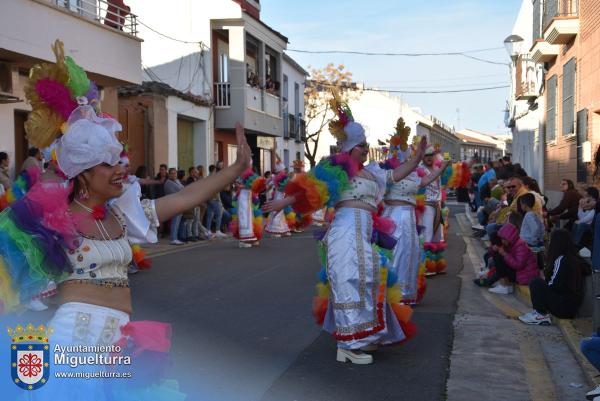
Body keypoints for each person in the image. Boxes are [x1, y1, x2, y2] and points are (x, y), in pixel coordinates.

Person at [0, 41, 251, 399]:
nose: (121, 170)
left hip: (120, 342)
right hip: (74, 345)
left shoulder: (121, 212)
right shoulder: (55, 219)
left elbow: (183, 197)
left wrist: (236, 168)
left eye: (120, 161)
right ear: (82, 173)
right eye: (108, 163)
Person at [263, 93, 424, 365]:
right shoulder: (336, 169)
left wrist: (418, 157)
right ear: (350, 147)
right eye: (361, 145)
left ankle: (363, 336)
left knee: (371, 280)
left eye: (366, 144)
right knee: (348, 282)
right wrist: (283, 201)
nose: (365, 148)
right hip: (345, 231)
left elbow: (397, 174)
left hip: (365, 233)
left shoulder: (372, 172)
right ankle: (348, 345)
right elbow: (311, 189)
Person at [382, 126, 448, 304]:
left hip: (409, 216)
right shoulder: (389, 172)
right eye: (399, 152)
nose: (402, 155)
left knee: (411, 253)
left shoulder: (412, 174)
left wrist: (442, 168)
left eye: (405, 152)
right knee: (397, 253)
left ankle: (405, 293)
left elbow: (425, 181)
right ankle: (393, 293)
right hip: (395, 216)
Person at [518, 229, 590, 325]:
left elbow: (554, 285)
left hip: (562, 306)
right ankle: (539, 314)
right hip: (571, 307)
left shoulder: (561, 260)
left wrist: (544, 279)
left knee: (536, 282)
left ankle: (541, 315)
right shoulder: (574, 259)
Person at [420, 146, 451, 276]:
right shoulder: (420, 170)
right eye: (426, 155)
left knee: (437, 236)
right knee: (427, 235)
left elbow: (441, 184)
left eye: (431, 155)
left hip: (436, 206)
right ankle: (426, 266)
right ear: (422, 156)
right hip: (426, 206)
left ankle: (436, 265)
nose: (428, 157)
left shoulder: (437, 169)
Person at [486, 223, 539, 294]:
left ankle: (505, 286)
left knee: (499, 257)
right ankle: (506, 286)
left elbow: (518, 265)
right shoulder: (510, 243)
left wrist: (504, 254)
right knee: (497, 256)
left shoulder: (520, 246)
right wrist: (493, 248)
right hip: (519, 273)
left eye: (503, 239)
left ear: (509, 237)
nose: (502, 241)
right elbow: (492, 253)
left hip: (525, 275)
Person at [265, 163, 292, 237]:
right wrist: (265, 191)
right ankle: (277, 231)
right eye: (283, 170)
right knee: (277, 212)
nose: (284, 171)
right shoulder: (275, 177)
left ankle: (281, 230)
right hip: (278, 197)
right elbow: (270, 185)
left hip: (281, 196)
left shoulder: (284, 178)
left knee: (280, 213)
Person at [205, 165, 227, 238]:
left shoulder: (207, 178)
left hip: (209, 198)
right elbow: (216, 190)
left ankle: (207, 231)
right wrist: (219, 200)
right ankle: (217, 230)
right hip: (214, 199)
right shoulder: (214, 178)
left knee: (209, 215)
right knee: (219, 214)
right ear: (214, 170)